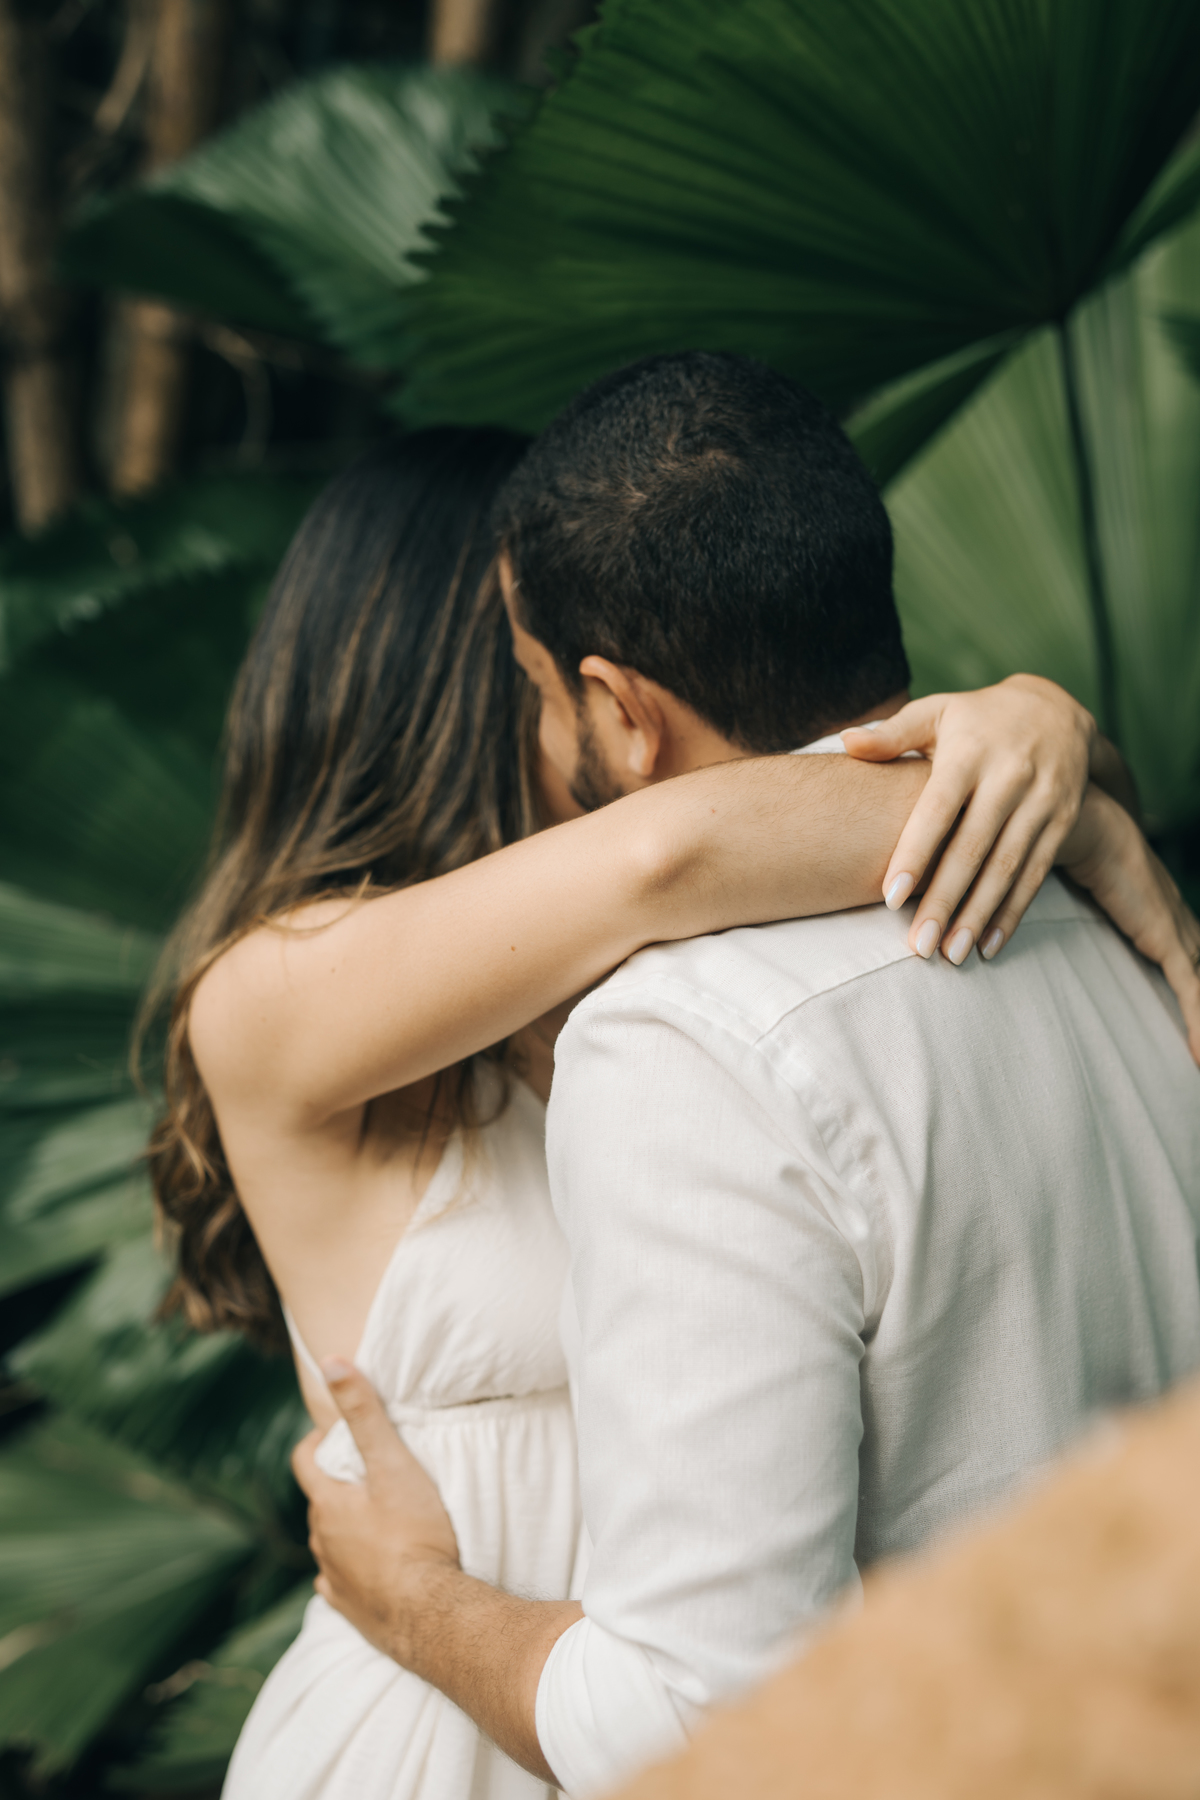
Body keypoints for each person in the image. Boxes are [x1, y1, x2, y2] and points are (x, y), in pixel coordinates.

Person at [167, 424, 1135, 1800]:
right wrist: (1057, 792)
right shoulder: (275, 991)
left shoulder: (678, 972)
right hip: (441, 1737)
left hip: (684, 1712)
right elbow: (666, 852)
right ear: (466, 681)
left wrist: (1045, 740)